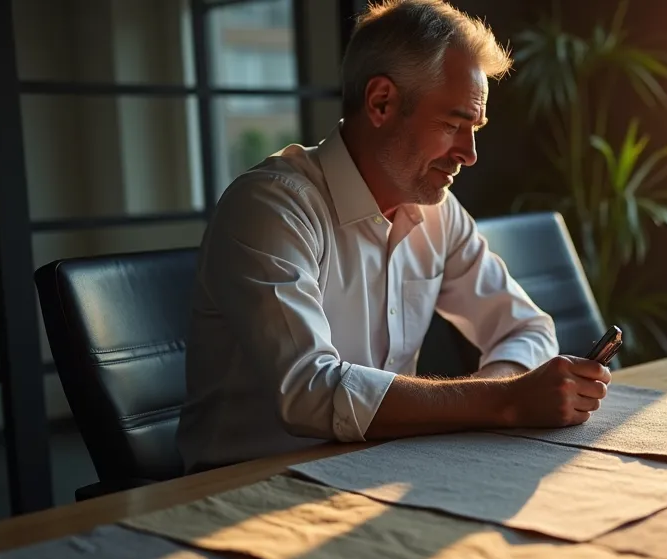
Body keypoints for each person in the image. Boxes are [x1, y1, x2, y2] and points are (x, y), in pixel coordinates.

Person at [176, 0, 611, 473]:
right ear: (381, 102)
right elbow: (309, 392)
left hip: (379, 470)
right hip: (242, 491)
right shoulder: (271, 208)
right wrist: (502, 401)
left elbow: (525, 328)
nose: (469, 154)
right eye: (452, 124)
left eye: (475, 128)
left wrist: (504, 394)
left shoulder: (437, 212)